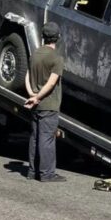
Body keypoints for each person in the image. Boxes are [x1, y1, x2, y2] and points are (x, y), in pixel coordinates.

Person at [24, 21, 66, 182]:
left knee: (35, 137)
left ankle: (32, 171)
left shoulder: (34, 54)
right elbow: (51, 83)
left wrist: (32, 95)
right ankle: (46, 174)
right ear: (58, 37)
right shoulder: (57, 58)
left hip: (35, 104)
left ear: (42, 36)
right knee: (46, 139)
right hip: (49, 104)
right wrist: (39, 97)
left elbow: (27, 76)